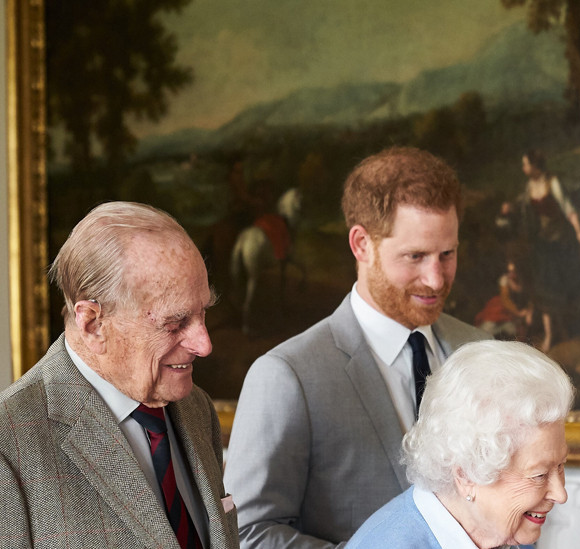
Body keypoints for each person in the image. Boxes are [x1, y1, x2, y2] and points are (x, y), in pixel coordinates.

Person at [224, 146, 490, 548]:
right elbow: (247, 535)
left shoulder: (481, 350)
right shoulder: (287, 375)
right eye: (415, 256)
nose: (436, 280)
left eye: (447, 254)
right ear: (361, 244)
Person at [0, 202, 239, 548]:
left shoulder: (196, 409)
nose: (204, 344)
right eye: (174, 324)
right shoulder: (10, 446)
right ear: (93, 324)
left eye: (203, 313)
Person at [347, 340, 573, 548]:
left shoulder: (509, 535)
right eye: (540, 475)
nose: (560, 494)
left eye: (561, 466)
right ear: (466, 475)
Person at [498, 150, 580, 352]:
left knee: (560, 287)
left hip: (560, 242)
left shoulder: (552, 183)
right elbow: (521, 205)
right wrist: (509, 208)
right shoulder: (530, 186)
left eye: (526, 164)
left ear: (535, 166)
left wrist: (579, 231)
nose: (523, 168)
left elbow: (568, 208)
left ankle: (566, 331)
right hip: (543, 244)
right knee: (545, 289)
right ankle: (550, 336)